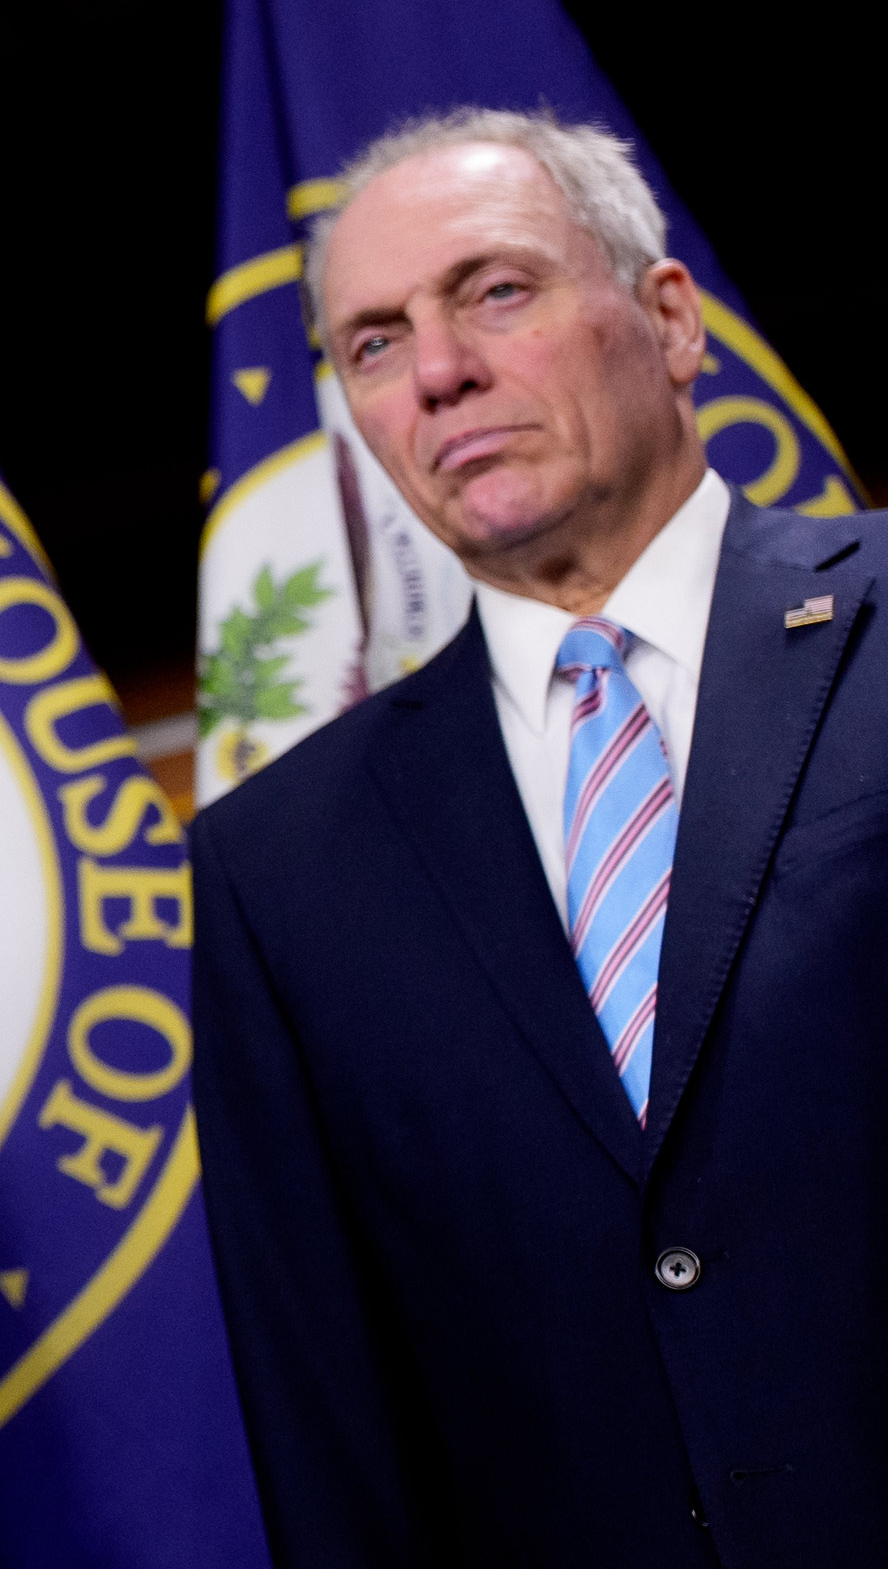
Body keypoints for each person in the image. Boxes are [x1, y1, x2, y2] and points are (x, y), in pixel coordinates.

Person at [191, 110, 881, 1566]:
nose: (438, 371)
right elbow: (333, 1419)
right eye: (373, 344)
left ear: (670, 318)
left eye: (495, 291)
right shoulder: (281, 867)